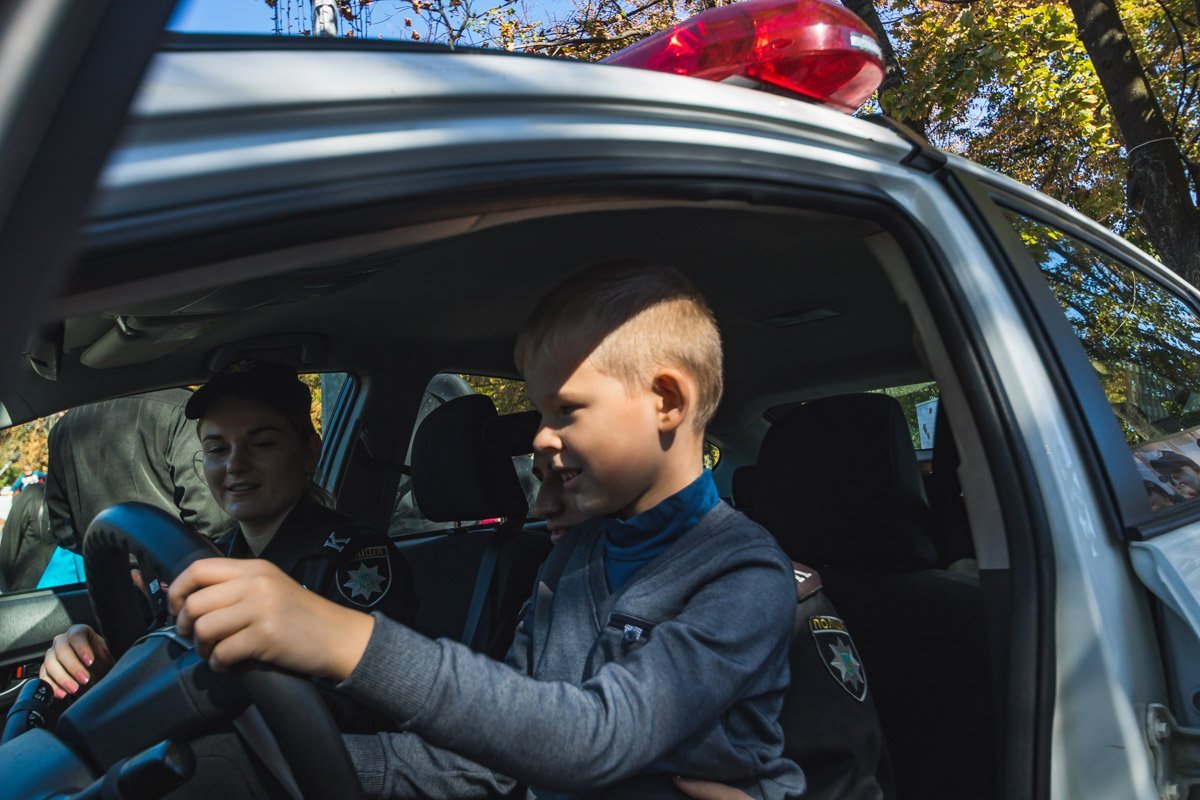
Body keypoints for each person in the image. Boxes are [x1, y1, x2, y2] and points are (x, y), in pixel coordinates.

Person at [168, 263, 806, 799]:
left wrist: (343, 638)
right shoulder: (574, 558)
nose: (540, 436)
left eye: (566, 410)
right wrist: (291, 763)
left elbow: (595, 738)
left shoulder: (743, 573)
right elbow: (503, 755)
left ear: (667, 401)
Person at [39, 361, 419, 714]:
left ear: (309, 454)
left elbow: (373, 707)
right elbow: (163, 655)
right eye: (217, 449)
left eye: (262, 443)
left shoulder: (356, 559)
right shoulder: (207, 561)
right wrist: (101, 663)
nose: (236, 464)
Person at [45, 388, 234, 554]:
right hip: (179, 575)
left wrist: (110, 564)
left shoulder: (61, 430)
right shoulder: (181, 408)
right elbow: (214, 519)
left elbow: (63, 529)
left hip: (109, 580)